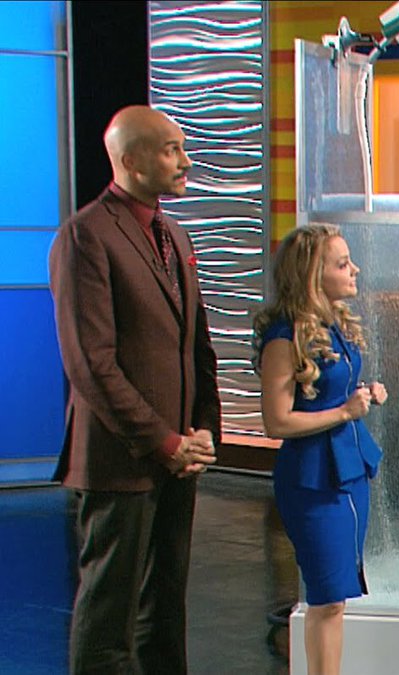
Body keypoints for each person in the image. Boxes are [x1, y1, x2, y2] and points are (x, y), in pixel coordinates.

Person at [48, 105, 221, 674]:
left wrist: (203, 431)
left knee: (164, 612)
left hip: (179, 459)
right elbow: (91, 365)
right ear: (130, 161)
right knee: (109, 621)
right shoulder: (86, 236)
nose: (185, 161)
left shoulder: (174, 233)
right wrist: (163, 442)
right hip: (121, 460)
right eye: (172, 150)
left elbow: (196, 345)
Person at [253, 223, 387, 675]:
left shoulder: (335, 324)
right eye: (343, 264)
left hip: (348, 472)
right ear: (313, 275)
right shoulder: (283, 338)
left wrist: (364, 395)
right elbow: (277, 421)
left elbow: (331, 392)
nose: (355, 270)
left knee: (336, 599)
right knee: (326, 598)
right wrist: (345, 411)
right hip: (312, 479)